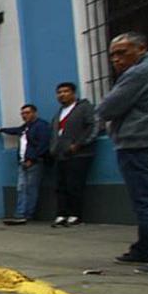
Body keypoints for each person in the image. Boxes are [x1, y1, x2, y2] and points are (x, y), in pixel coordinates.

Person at [95, 32, 148, 275]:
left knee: (147, 201)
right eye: (112, 55)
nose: (116, 60)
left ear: (141, 48)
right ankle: (144, 247)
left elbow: (106, 108)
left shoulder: (138, 73)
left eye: (122, 53)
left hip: (139, 144)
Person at [49, 82, 98, 228]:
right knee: (61, 186)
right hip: (60, 155)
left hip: (79, 154)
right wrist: (53, 149)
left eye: (66, 91)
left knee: (74, 185)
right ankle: (61, 214)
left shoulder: (84, 108)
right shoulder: (58, 113)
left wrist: (79, 144)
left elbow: (93, 126)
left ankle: (75, 214)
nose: (62, 95)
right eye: (59, 92)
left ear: (73, 93)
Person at [0, 104, 51, 225]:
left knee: (30, 188)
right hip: (23, 162)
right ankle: (20, 213)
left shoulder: (41, 126)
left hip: (34, 162)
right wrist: (1, 130)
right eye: (22, 113)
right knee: (21, 188)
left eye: (27, 113)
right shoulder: (25, 127)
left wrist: (33, 159)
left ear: (34, 113)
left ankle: (25, 214)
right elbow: (15, 130)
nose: (24, 115)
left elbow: (43, 144)